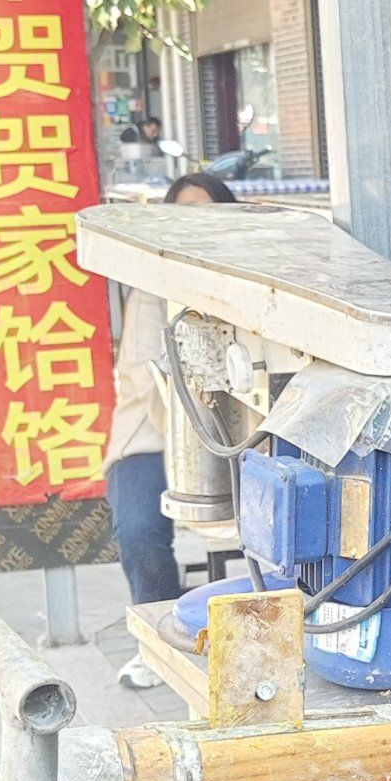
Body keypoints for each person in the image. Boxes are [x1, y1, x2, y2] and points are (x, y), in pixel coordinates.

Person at [107, 171, 237, 685]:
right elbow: (145, 374)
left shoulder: (249, 278)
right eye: (184, 215)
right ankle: (158, 640)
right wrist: (196, 439)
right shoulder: (151, 285)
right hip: (155, 432)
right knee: (138, 527)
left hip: (240, 434)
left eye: (207, 213)